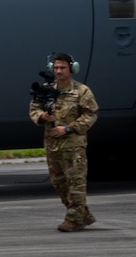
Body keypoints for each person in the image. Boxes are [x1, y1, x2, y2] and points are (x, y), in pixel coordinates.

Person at [28, 53, 98, 232]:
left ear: (72, 69)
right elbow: (34, 108)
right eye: (56, 68)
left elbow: (90, 115)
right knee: (58, 182)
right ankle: (83, 214)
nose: (59, 71)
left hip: (74, 146)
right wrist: (42, 116)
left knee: (76, 183)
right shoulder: (46, 90)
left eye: (63, 68)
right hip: (53, 145)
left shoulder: (82, 91)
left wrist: (68, 128)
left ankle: (73, 220)